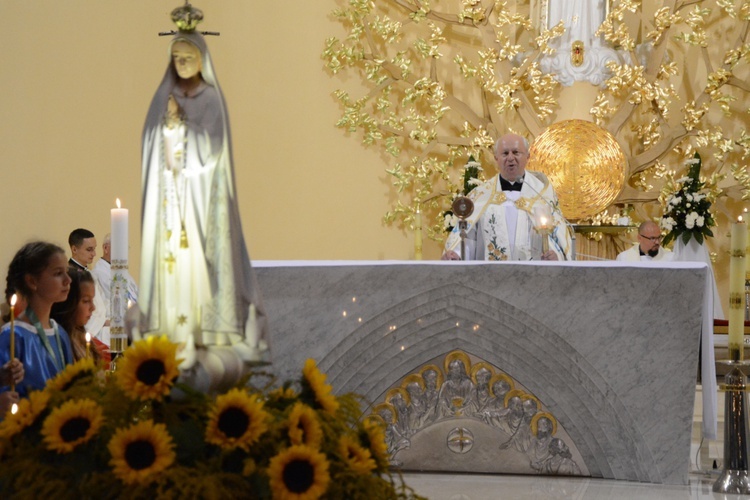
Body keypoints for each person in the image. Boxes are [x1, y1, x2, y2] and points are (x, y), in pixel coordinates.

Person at [140, 27, 269, 388]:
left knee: (202, 264)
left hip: (200, 202)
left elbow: (213, 153)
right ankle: (173, 330)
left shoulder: (211, 99)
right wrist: (165, 131)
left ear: (201, 61)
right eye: (177, 59)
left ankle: (206, 331)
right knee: (173, 272)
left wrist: (181, 128)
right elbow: (150, 145)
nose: (182, 64)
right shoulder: (161, 95)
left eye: (188, 58)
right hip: (170, 201)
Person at [442, 134, 572, 261]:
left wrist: (556, 255)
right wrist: (457, 253)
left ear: (527, 156)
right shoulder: (481, 195)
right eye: (505, 153)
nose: (510, 158)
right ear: (496, 158)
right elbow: (468, 237)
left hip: (534, 276)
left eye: (516, 152)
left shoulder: (541, 192)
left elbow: (556, 234)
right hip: (492, 276)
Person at [0, 242, 74, 397]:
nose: (68, 280)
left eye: (67, 272)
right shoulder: (13, 335)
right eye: (58, 273)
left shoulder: (59, 333)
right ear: (32, 281)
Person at [51, 269, 110, 367]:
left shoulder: (85, 339)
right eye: (86, 301)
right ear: (69, 302)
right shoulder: (59, 342)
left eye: (92, 300)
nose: (93, 308)